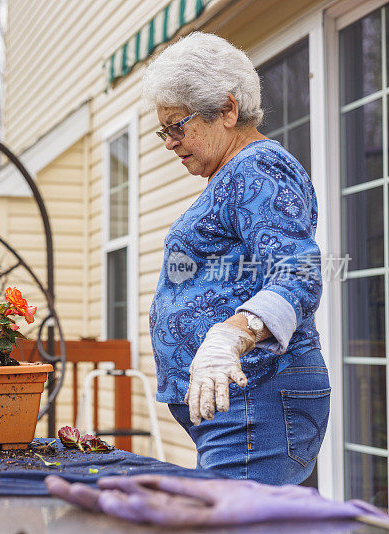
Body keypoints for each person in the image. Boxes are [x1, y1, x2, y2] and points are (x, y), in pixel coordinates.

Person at [142, 32, 329, 485]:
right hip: (242, 402)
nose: (169, 142)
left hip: (259, 393)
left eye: (177, 126)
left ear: (227, 109)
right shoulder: (232, 174)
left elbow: (299, 273)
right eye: (163, 130)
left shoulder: (258, 166)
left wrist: (230, 337)